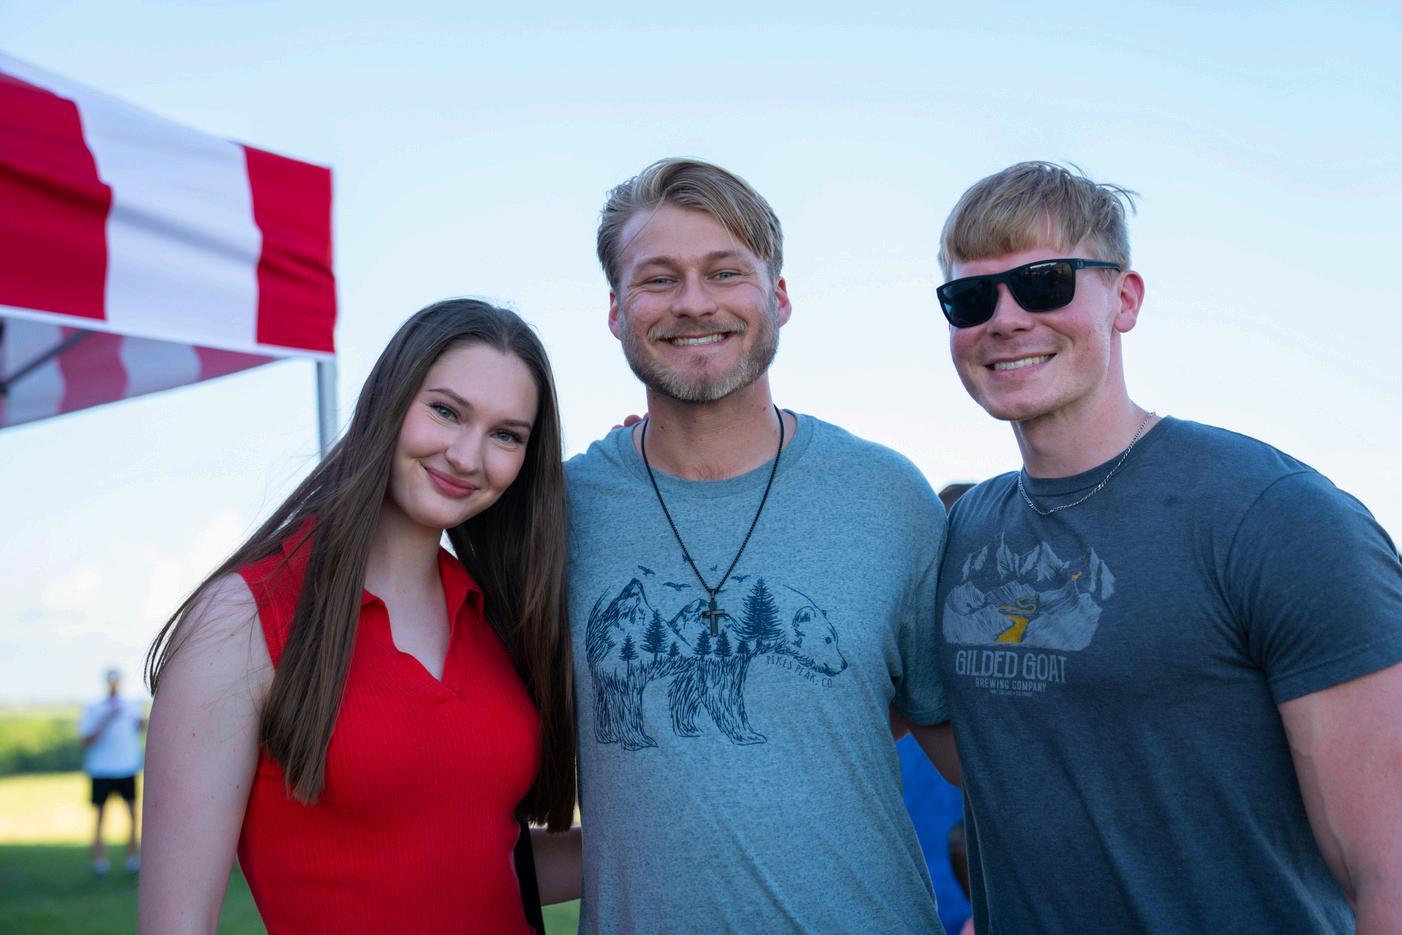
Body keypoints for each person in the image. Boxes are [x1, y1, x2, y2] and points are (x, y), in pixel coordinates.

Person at [933, 161, 1402, 933]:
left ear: (1125, 298)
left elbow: (1385, 869)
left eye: (1045, 283)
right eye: (971, 297)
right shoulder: (959, 536)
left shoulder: (1275, 516)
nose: (1006, 318)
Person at [567, 157, 959, 933]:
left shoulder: (887, 497)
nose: (693, 302)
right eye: (658, 279)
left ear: (778, 295)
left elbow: (961, 741)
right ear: (615, 309)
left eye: (725, 272)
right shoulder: (559, 511)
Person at [138, 299, 580, 934]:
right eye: (446, 411)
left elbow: (476, 862)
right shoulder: (242, 620)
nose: (467, 456)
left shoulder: (495, 616)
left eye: (506, 435)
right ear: (387, 402)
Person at [80, 667, 146, 876]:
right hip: (101, 770)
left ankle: (132, 859)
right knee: (100, 818)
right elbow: (86, 741)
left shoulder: (131, 706)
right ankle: (99, 862)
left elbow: (141, 728)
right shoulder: (94, 708)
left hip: (127, 768)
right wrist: (107, 718)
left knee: (133, 816)